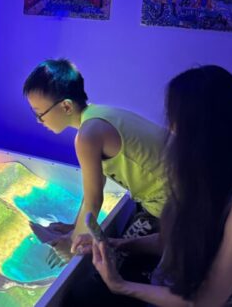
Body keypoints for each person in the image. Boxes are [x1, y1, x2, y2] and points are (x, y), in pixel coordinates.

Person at [75, 65, 232, 306]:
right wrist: (119, 244)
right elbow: (173, 241)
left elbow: (206, 301)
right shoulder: (203, 176)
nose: (170, 131)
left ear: (203, 131)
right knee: (85, 292)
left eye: (175, 122)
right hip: (175, 284)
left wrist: (121, 286)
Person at [23, 59, 168, 262]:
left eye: (40, 114)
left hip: (177, 208)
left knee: (113, 263)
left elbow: (94, 201)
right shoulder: (99, 115)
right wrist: (75, 228)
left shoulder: (87, 136)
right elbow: (93, 189)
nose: (39, 121)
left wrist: (72, 246)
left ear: (66, 106)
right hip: (179, 196)